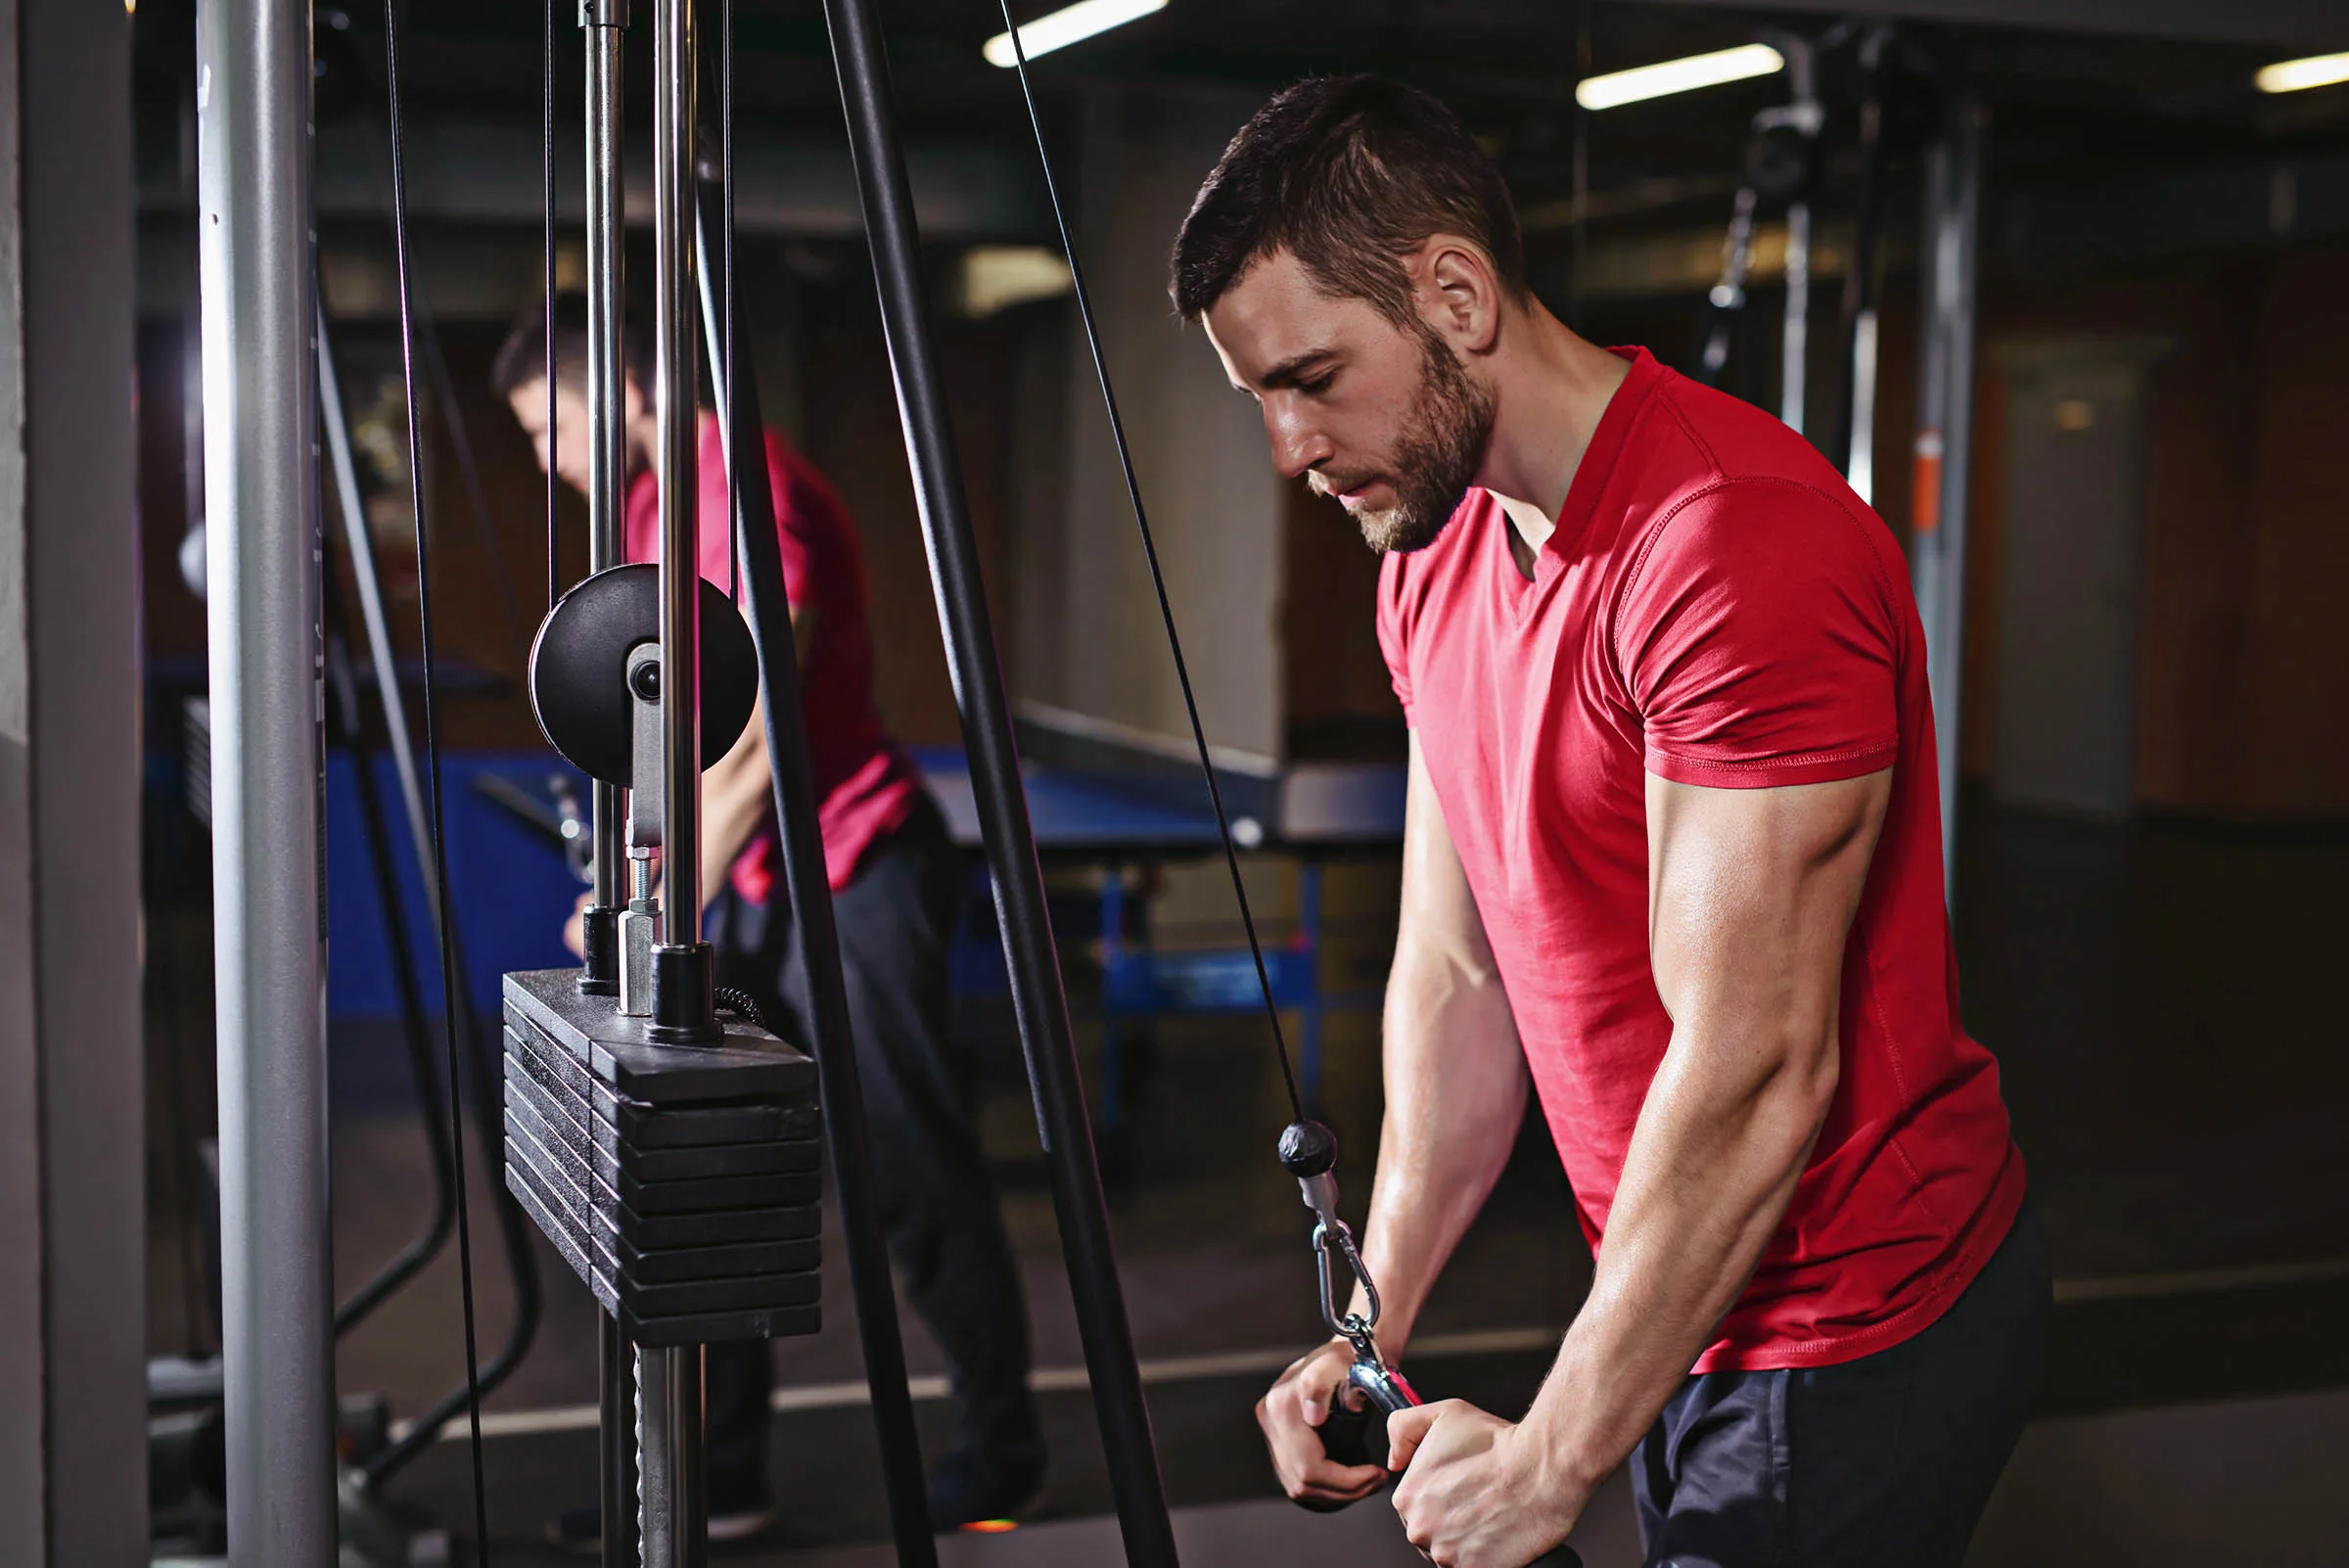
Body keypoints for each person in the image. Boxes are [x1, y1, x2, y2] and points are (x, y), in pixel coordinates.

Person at [1173, 79, 2044, 1568]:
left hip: (1849, 1322)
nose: (1289, 444)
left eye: (1313, 376)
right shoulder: (1428, 562)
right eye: (1262, 395)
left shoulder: (1730, 544)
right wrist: (1374, 1319)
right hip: (1676, 1285)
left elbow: (1762, 1062)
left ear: (1453, 291)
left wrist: (1558, 1450)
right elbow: (1457, 972)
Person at [492, 297, 1046, 1544]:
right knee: (712, 1169)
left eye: (551, 427)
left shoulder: (748, 492)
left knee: (910, 1173)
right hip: (746, 884)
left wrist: (652, 901)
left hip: (851, 871)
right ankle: (721, 1469)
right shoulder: (644, 510)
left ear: (624, 389)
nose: (547, 460)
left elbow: (752, 743)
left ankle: (1004, 1451)